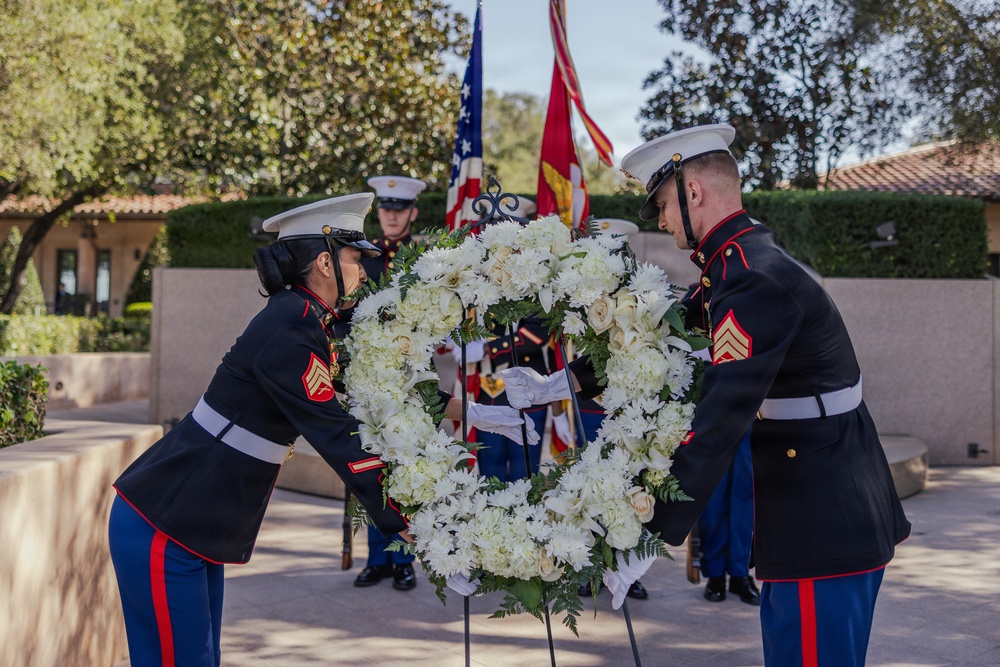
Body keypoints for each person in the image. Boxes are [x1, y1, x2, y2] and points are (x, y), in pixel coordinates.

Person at [499, 124, 911, 667]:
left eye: (663, 205)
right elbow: (660, 331)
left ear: (693, 192)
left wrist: (646, 531)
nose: (661, 220)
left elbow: (721, 414)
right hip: (815, 493)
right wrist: (563, 382)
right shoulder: (736, 264)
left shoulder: (752, 277)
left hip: (823, 510)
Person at [107, 193, 533, 666]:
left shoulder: (310, 321)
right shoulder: (290, 328)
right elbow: (337, 435)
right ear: (326, 264)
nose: (363, 272)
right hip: (167, 522)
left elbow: (380, 388)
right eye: (355, 258)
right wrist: (417, 525)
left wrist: (473, 411)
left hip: (191, 522)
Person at [552, 218, 650, 602]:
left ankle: (626, 563)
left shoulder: (636, 299)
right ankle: (588, 566)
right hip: (589, 402)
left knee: (629, 487)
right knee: (587, 486)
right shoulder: (578, 294)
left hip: (627, 407)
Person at [350, 175, 427, 590]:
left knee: (405, 466)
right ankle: (376, 558)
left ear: (413, 212)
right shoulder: (363, 258)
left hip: (408, 376)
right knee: (368, 465)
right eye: (386, 209)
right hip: (368, 377)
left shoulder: (424, 260)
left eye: (400, 209)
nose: (392, 216)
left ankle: (403, 559)